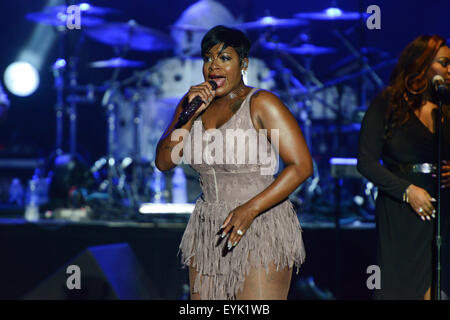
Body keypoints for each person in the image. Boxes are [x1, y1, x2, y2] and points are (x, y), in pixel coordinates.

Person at [155, 25, 312, 300]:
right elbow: (164, 162)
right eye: (208, 58)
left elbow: (301, 166)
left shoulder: (262, 103)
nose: (214, 66)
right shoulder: (192, 104)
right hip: (209, 228)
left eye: (224, 58)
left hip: (260, 222)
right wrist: (189, 115)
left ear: (244, 64)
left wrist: (249, 210)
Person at [357, 35, 450, 300]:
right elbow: (366, 161)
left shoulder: (448, 106)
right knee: (401, 286)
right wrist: (407, 191)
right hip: (401, 209)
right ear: (421, 64)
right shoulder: (388, 103)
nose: (449, 70)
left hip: (445, 205)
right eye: (444, 63)